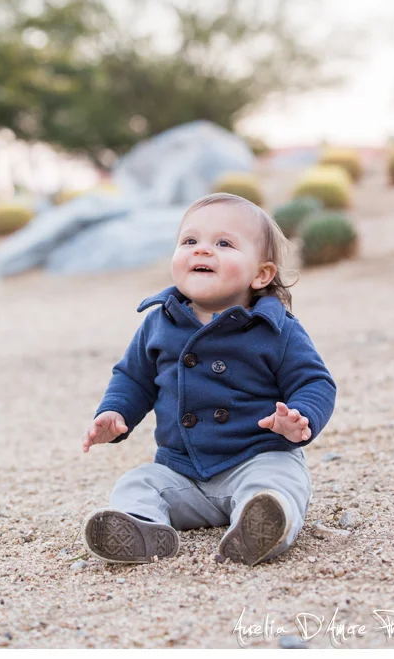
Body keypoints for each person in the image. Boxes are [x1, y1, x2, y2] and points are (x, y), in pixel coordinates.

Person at [81, 192, 337, 566]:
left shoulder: (275, 328)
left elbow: (315, 382)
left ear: (261, 273)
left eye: (223, 243)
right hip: (182, 472)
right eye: (190, 241)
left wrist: (300, 417)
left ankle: (260, 525)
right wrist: (115, 413)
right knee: (137, 483)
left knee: (279, 483)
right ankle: (143, 529)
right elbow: (133, 378)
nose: (202, 251)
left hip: (258, 457)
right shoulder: (159, 322)